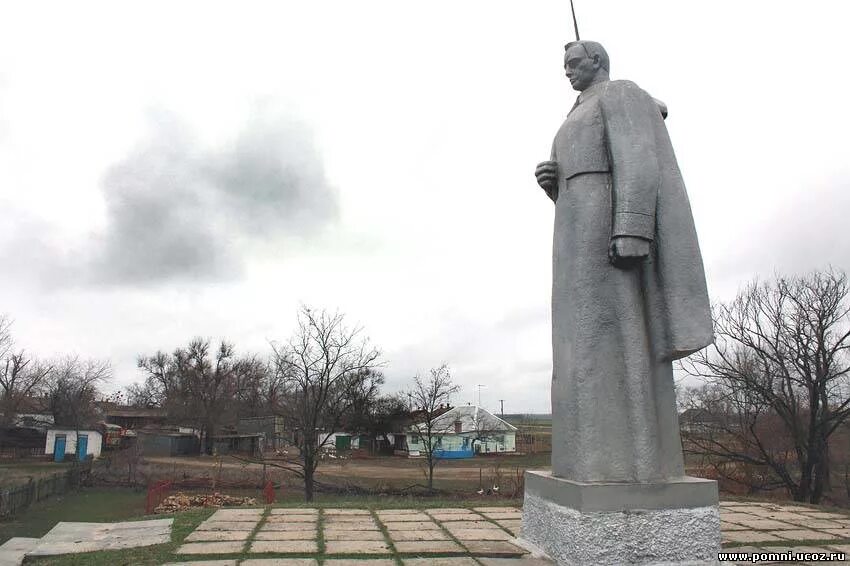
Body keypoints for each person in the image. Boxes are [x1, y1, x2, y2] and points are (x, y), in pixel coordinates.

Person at [534, 40, 713, 483]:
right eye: (565, 65)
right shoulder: (576, 113)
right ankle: (589, 458)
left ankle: (632, 459)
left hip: (605, 227)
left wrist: (632, 228)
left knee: (619, 329)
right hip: (575, 228)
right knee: (581, 342)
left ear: (598, 62)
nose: (567, 71)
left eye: (574, 63)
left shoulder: (622, 94)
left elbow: (638, 160)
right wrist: (553, 181)